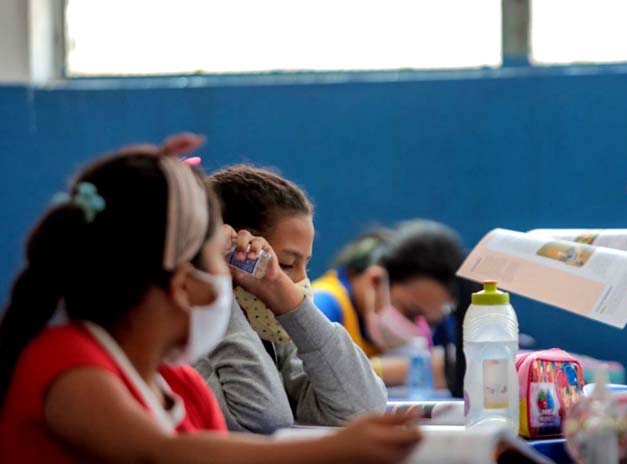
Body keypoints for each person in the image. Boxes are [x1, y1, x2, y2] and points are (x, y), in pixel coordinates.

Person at [0, 137, 420, 463]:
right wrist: (331, 451)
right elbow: (159, 456)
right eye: (218, 261)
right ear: (184, 278)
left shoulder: (177, 384)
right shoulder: (69, 362)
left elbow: (353, 406)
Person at [197, 165, 387, 433]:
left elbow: (363, 410)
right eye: (286, 265)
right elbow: (261, 420)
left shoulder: (270, 333)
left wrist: (292, 305)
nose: (295, 284)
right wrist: (217, 285)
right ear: (231, 253)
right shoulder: (185, 338)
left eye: (305, 265)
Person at [312, 220, 463, 388]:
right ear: (376, 282)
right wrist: (405, 370)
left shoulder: (437, 320)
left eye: (431, 322)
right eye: (411, 312)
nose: (418, 330)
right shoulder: (323, 305)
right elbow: (309, 376)